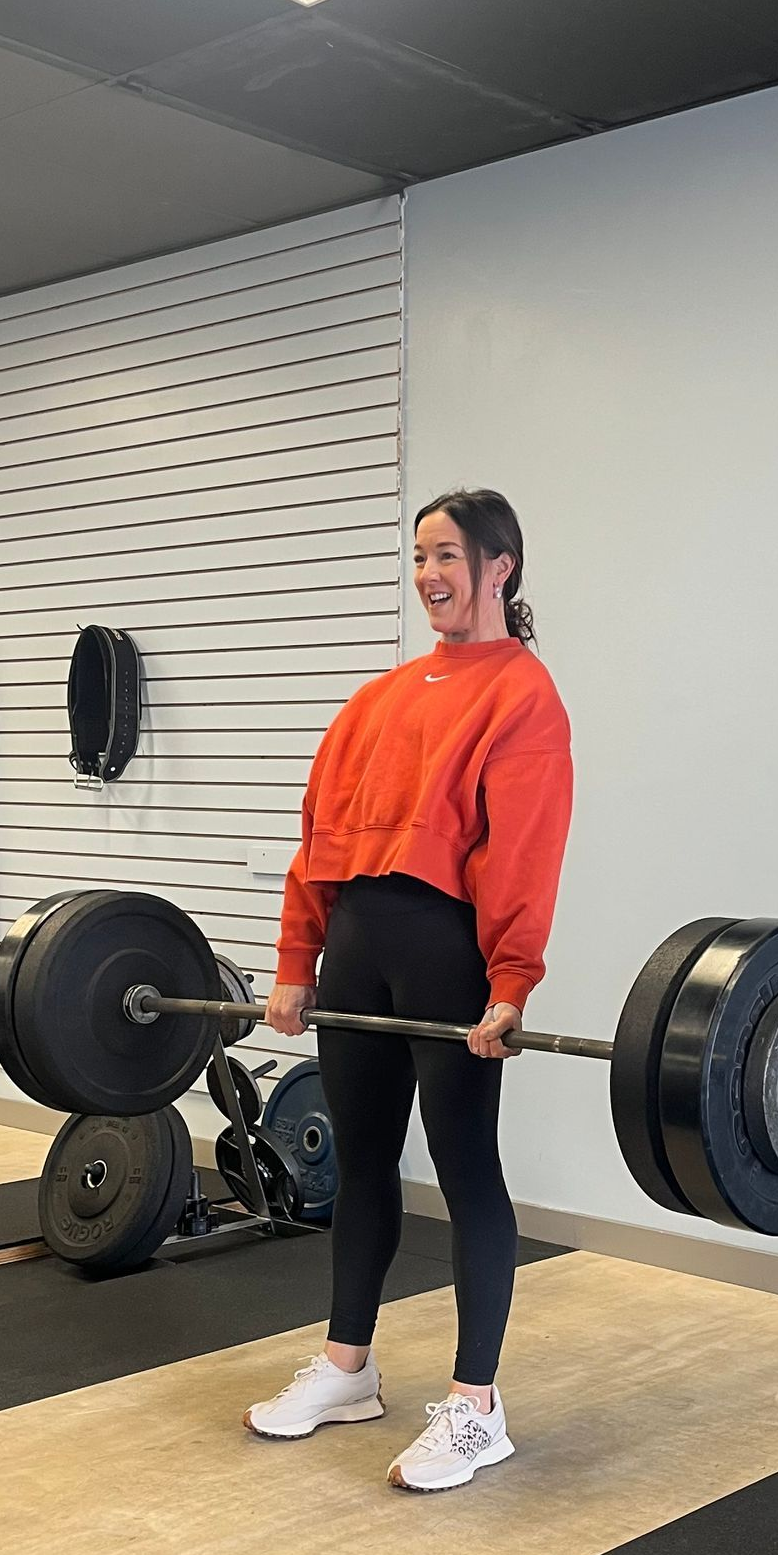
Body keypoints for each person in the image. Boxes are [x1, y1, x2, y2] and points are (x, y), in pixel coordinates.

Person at [243, 488, 572, 1492]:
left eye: (446, 555)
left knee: (465, 1163)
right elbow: (317, 842)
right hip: (356, 946)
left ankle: (476, 1408)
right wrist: (297, 961)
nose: (428, 574)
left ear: (498, 566)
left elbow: (522, 851)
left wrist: (510, 980)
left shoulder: (521, 693)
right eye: (419, 555)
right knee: (363, 1159)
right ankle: (348, 1366)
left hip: (447, 952)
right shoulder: (376, 699)